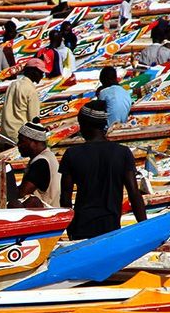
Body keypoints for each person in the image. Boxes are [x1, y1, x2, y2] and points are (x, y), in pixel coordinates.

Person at [59, 101, 146, 239]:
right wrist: (145, 228)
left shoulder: (72, 154)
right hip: (111, 226)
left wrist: (69, 229)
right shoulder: (123, 153)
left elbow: (65, 197)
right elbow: (134, 194)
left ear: (84, 125)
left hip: (81, 226)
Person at [15, 121, 61, 208]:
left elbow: (22, 193)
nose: (19, 145)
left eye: (22, 141)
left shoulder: (41, 162)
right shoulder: (49, 156)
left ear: (34, 142)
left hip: (45, 215)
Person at [0, 58, 44, 141]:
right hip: (19, 136)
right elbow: (34, 120)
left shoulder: (13, 84)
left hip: (5, 134)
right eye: (41, 73)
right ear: (33, 72)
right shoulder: (31, 90)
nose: (42, 76)